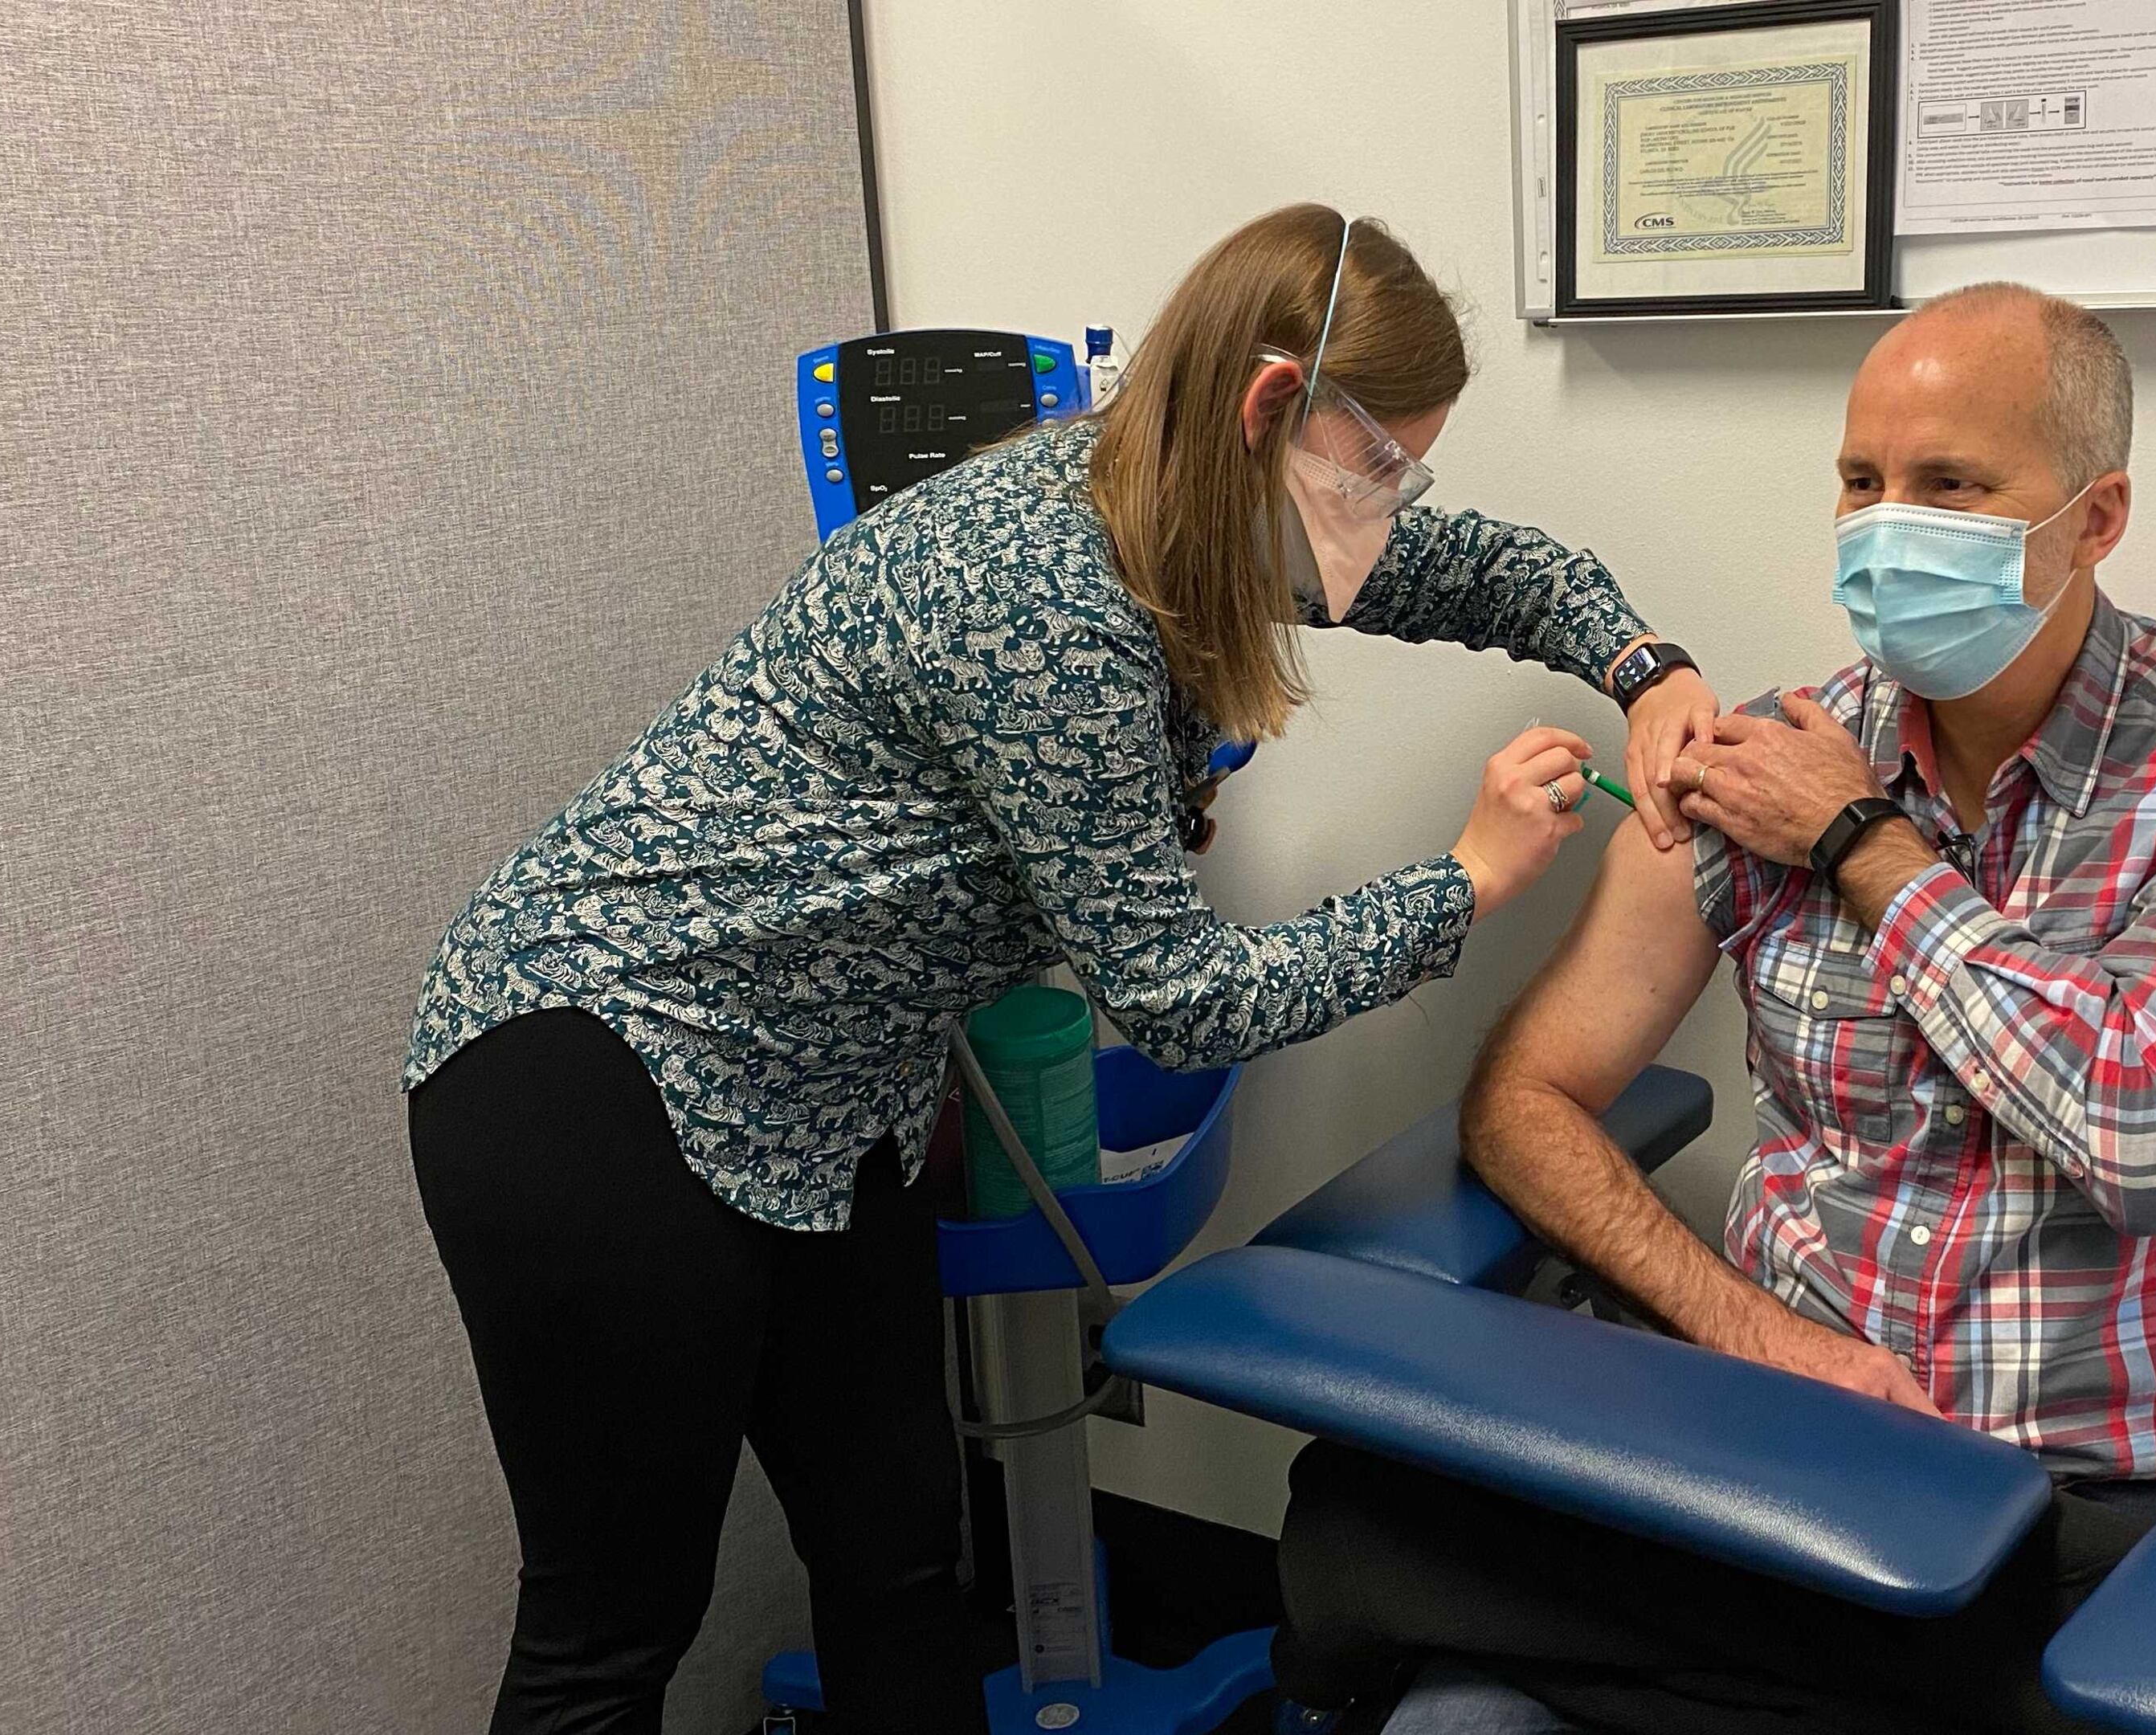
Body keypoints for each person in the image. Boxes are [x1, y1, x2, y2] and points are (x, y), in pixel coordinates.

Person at [400, 202, 1721, 1734]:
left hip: (830, 1099)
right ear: (1268, 408)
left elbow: (1476, 569)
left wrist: (1647, 668)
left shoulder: (1183, 508)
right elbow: (1177, 997)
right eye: (1380, 472)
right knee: (615, 1631)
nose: (1391, 514)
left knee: (898, 1554)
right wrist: (1465, 883)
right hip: (601, 1061)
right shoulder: (1044, 595)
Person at [1270, 284, 2156, 1734]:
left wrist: (1863, 843)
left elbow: (2147, 1134)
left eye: (1952, 485)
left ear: (2096, 518)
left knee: (1377, 1546)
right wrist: (1757, 1337)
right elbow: (1527, 1096)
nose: (1886, 525)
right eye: (1862, 481)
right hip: (1784, 1457)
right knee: (1382, 1558)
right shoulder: (1771, 758)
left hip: (2094, 1505)